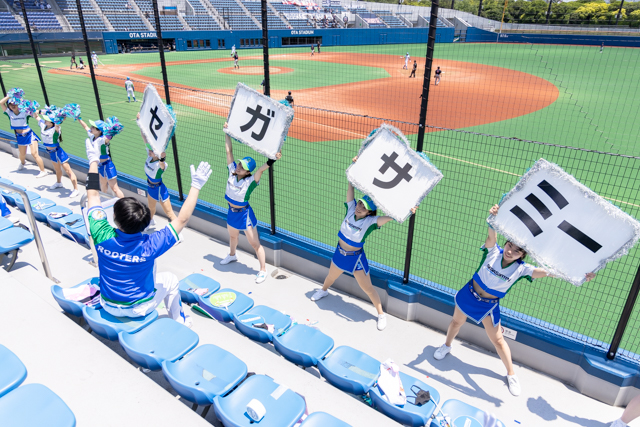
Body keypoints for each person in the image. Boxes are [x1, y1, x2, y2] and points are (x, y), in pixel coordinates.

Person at [433, 204, 596, 396]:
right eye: (510, 245)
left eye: (517, 251)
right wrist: (493, 216)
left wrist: (580, 275)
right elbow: (491, 234)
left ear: (522, 255)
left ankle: (511, 374)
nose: (510, 251)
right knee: (455, 323)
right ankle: (447, 346)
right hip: (468, 294)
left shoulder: (522, 269)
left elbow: (551, 272)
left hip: (488, 306)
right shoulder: (493, 251)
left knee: (498, 340)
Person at [84, 134, 212, 328]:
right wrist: (196, 186)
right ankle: (180, 320)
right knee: (170, 279)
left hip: (107, 304)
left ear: (114, 218)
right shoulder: (150, 244)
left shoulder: (101, 233)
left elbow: (92, 196)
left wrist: (93, 160)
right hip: (138, 308)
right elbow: (182, 219)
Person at [310, 156, 417, 331]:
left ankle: (381, 314)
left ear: (369, 212)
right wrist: (354, 165)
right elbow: (350, 186)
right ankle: (323, 290)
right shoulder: (350, 208)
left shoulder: (371, 222)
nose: (359, 207)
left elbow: (391, 217)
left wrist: (408, 211)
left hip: (355, 259)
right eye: (360, 203)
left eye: (363, 207)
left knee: (368, 289)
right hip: (340, 253)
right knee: (330, 277)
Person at [220, 123, 280, 284]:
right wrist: (227, 132)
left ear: (248, 172)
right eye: (240, 164)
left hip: (244, 215)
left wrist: (272, 159)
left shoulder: (251, 182)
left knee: (255, 244)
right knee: (232, 236)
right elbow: (229, 151)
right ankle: (232, 255)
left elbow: (260, 170)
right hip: (231, 212)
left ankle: (263, 270)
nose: (239, 167)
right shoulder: (231, 171)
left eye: (243, 167)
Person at [137, 113, 176, 226]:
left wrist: (162, 159)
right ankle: (150, 223)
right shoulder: (150, 156)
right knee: (151, 209)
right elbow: (145, 138)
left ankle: (177, 231)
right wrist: (140, 123)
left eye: (152, 150)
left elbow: (162, 165)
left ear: (158, 154)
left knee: (169, 213)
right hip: (151, 187)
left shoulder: (160, 165)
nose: (149, 150)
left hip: (159, 189)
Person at [77, 117, 125, 198]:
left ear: (99, 131)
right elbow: (85, 127)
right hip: (100, 166)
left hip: (108, 166)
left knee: (114, 188)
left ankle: (125, 203)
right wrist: (78, 118)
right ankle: (103, 200)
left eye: (93, 127)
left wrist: (112, 131)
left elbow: (108, 138)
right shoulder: (92, 135)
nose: (91, 128)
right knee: (103, 185)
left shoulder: (102, 139)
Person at [34, 109, 79, 197]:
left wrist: (60, 117)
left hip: (58, 153)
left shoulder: (55, 129)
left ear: (52, 123)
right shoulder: (43, 124)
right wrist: (41, 111)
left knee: (68, 171)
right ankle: (59, 183)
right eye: (46, 118)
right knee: (57, 170)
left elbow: (58, 124)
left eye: (48, 119)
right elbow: (35, 115)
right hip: (51, 153)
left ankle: (76, 189)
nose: (45, 120)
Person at [1, 95, 46, 177]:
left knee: (34, 153)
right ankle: (22, 163)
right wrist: (9, 96)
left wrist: (38, 112)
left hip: (29, 135)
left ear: (19, 105)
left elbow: (36, 114)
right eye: (10, 104)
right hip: (20, 137)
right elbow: (1, 103)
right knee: (22, 155)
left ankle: (43, 171)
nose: (12, 106)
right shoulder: (9, 113)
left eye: (15, 104)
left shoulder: (25, 112)